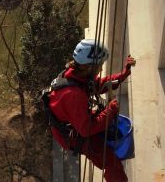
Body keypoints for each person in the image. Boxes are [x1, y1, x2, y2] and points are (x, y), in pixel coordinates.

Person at [49, 39, 136, 182]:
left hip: (75, 121)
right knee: (111, 162)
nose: (101, 69)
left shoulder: (76, 75)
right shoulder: (73, 95)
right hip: (74, 136)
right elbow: (87, 129)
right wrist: (110, 110)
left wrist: (123, 74)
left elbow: (99, 84)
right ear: (88, 67)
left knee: (108, 126)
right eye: (99, 66)